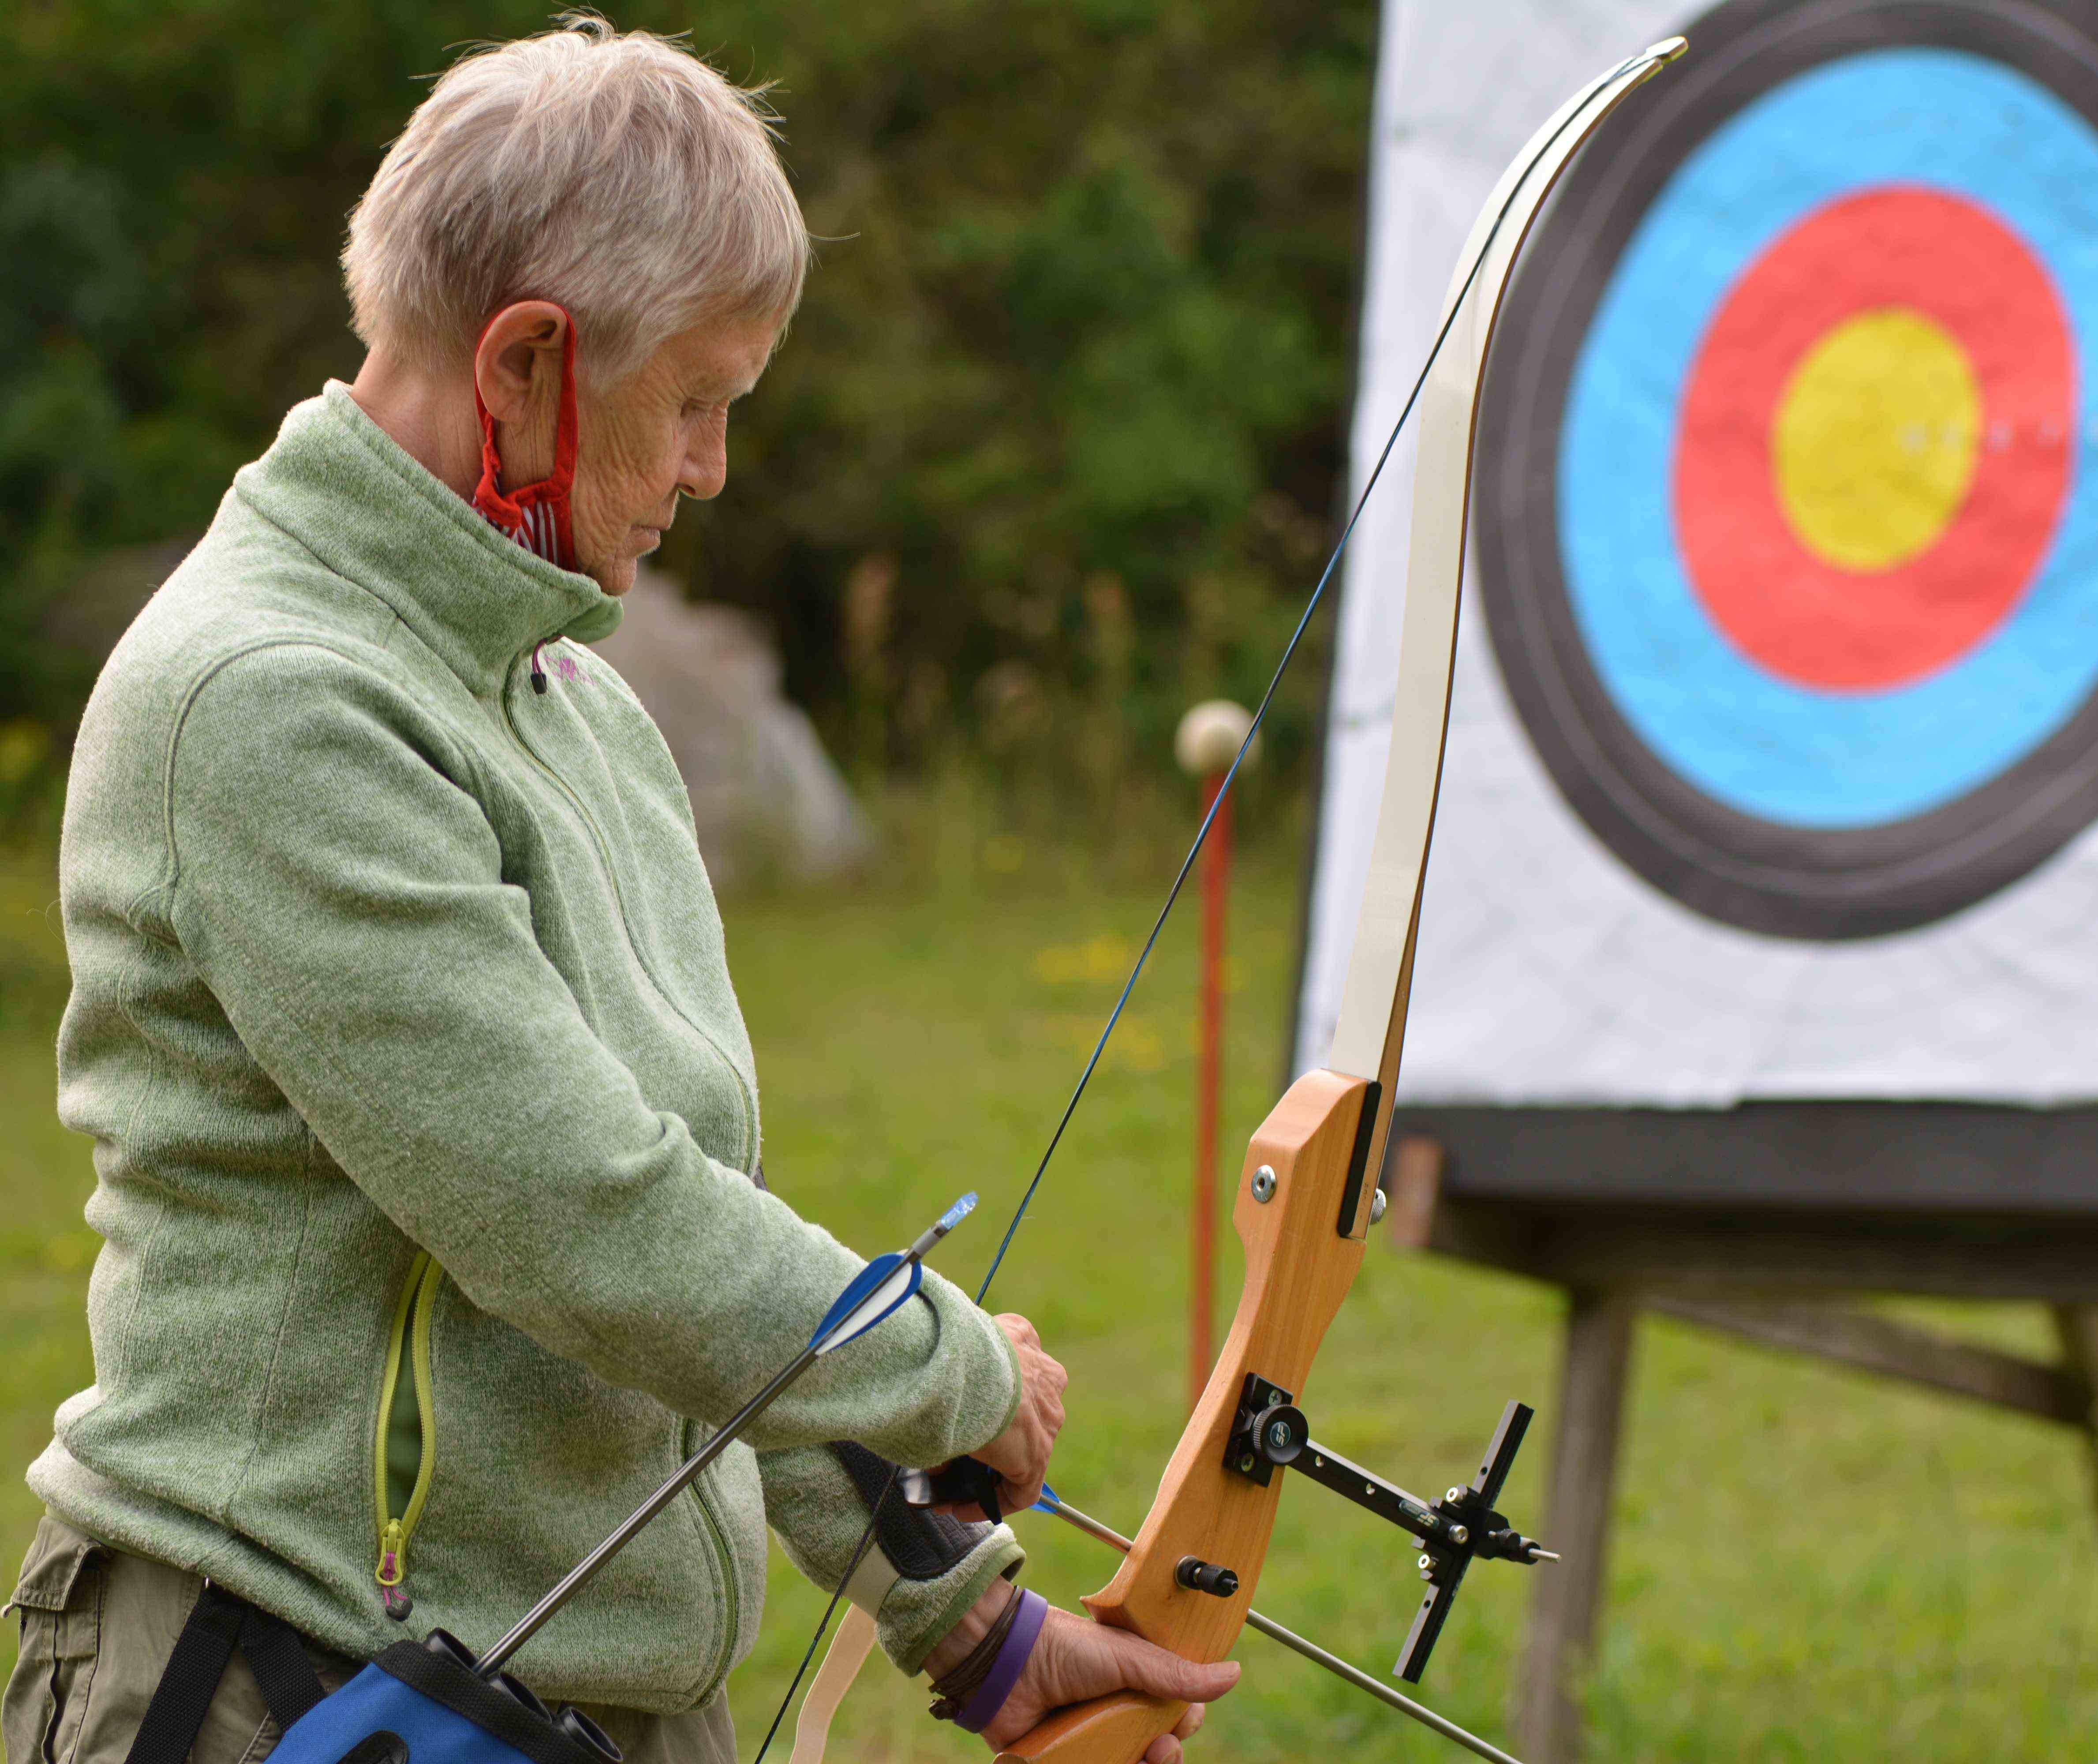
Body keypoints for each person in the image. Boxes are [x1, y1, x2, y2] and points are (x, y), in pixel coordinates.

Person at [2, 21, 1236, 1764]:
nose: (714, 467)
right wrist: (947, 1367)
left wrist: (966, 1620)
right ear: (525, 362)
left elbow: (685, 1234)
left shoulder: (578, 704)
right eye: (694, 402)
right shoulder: (268, 698)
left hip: (573, 1699)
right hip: (292, 1680)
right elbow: (582, 1217)